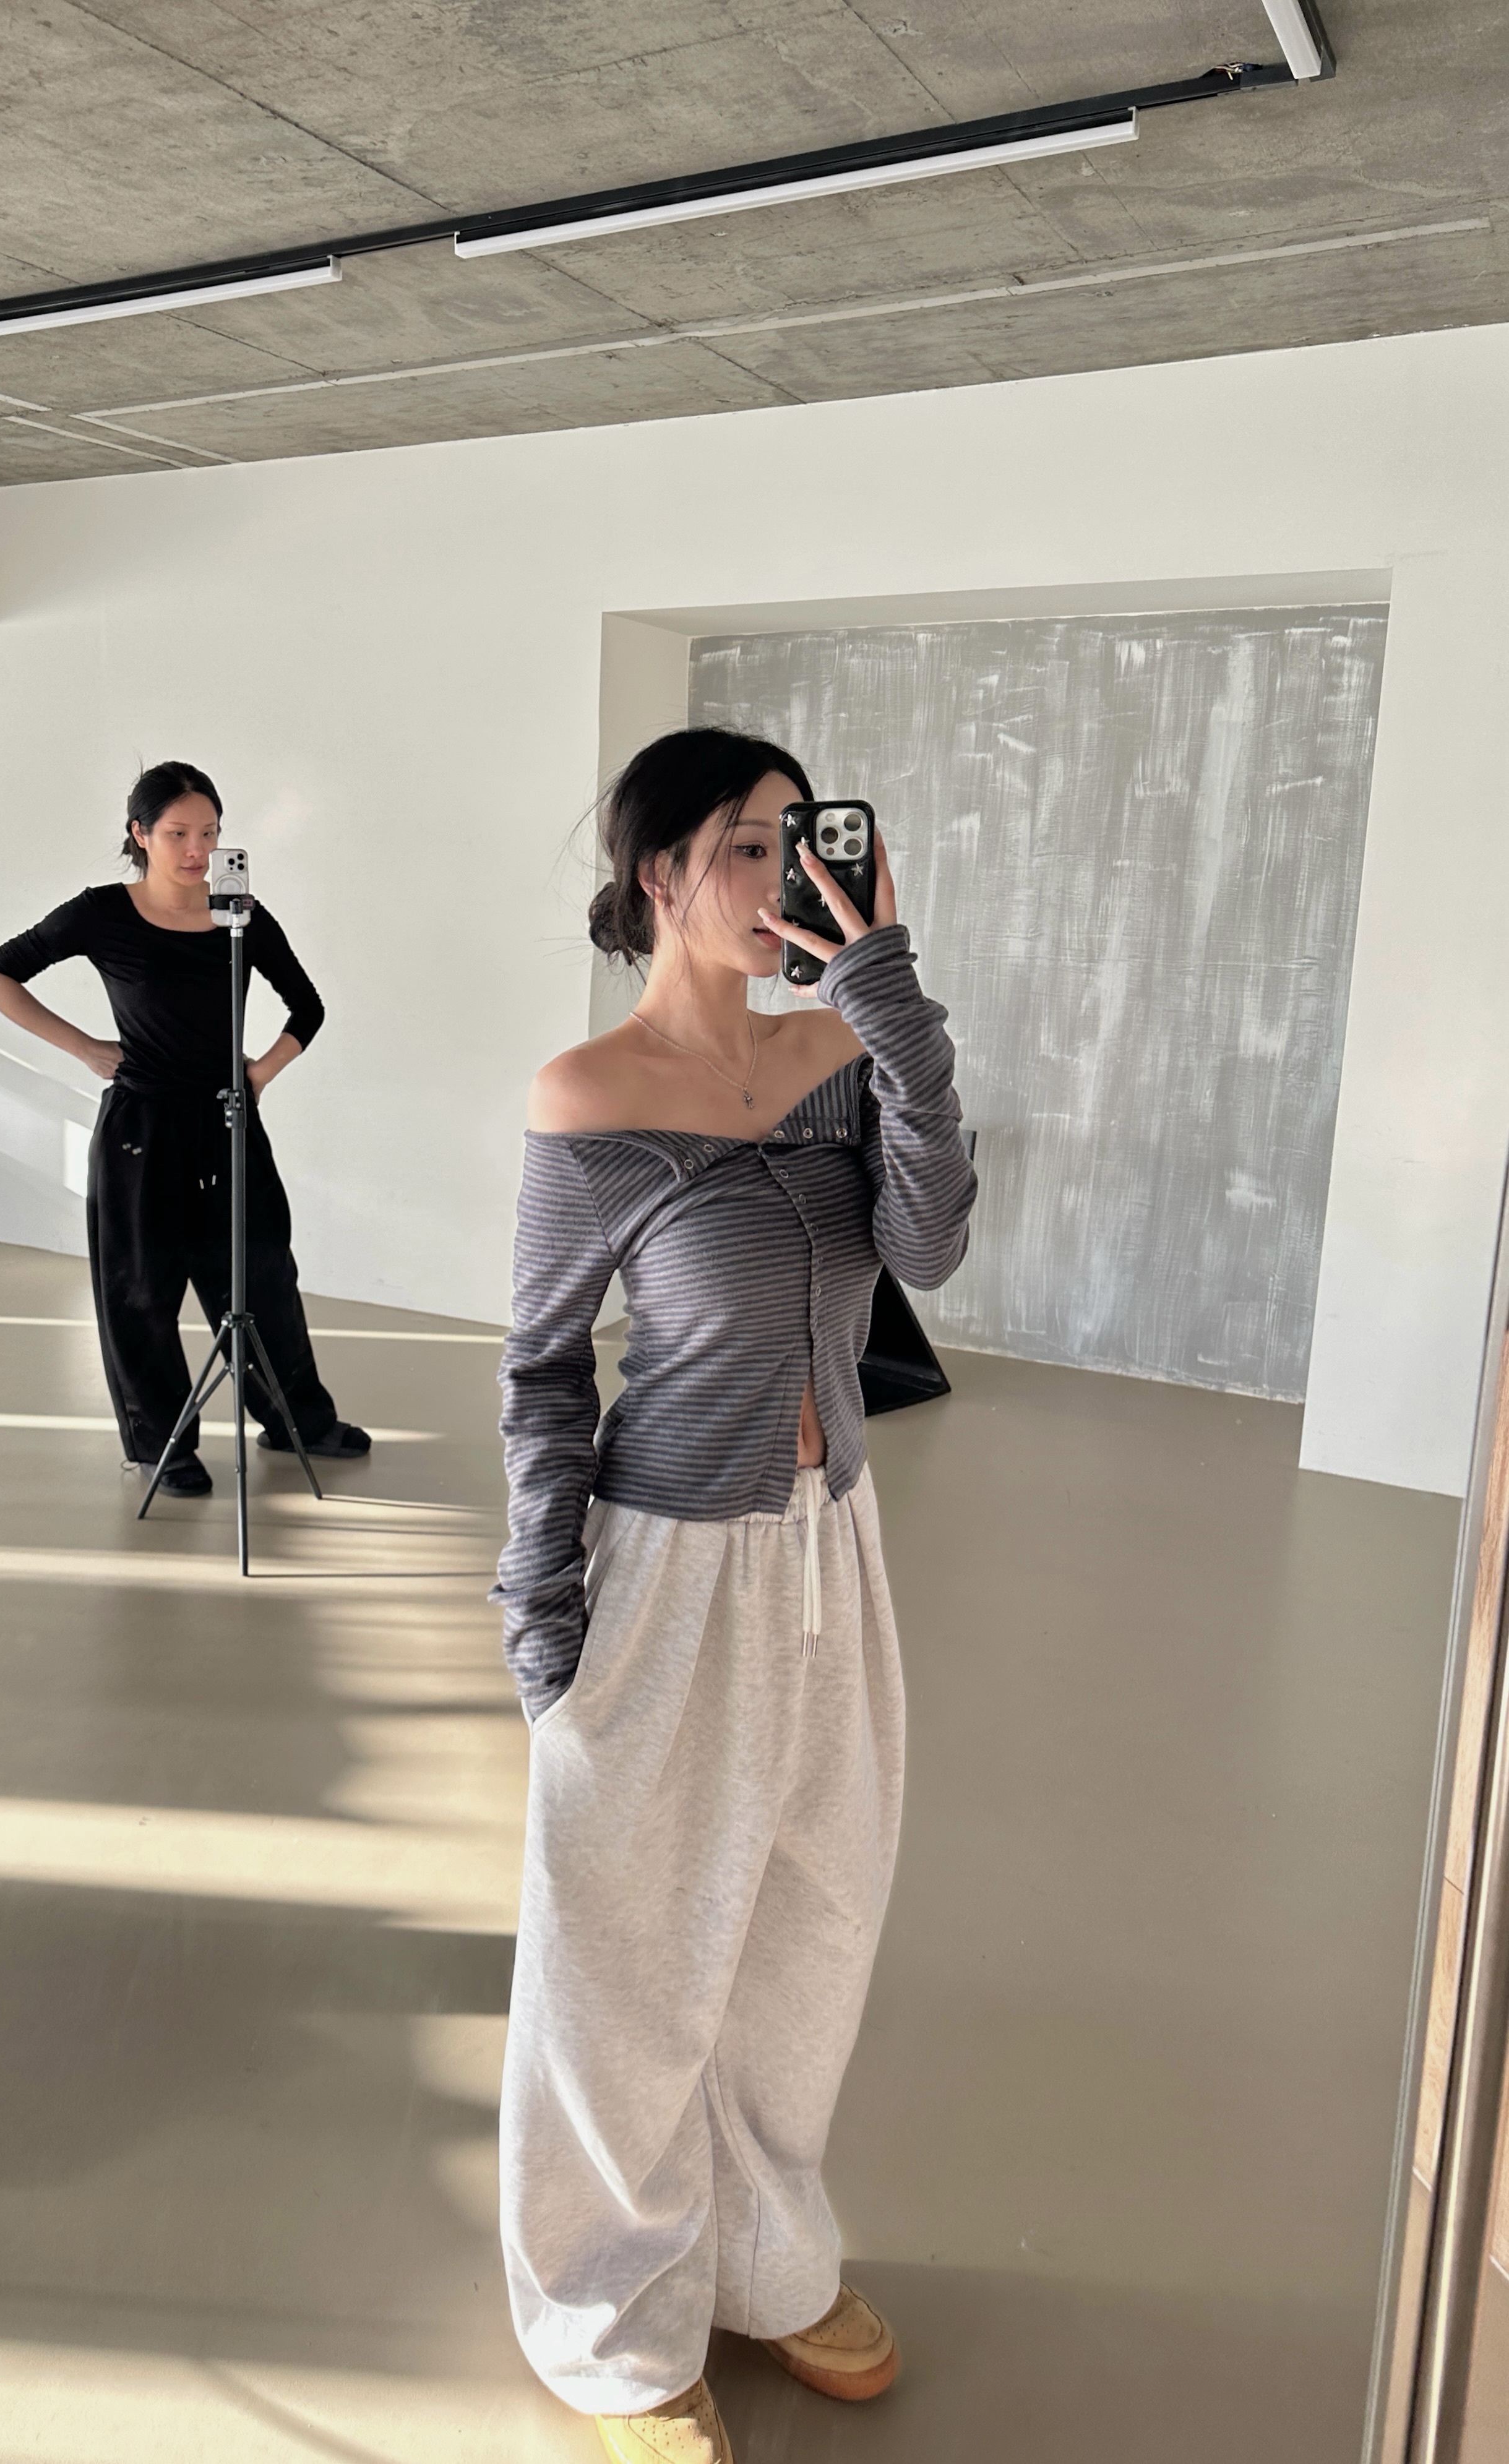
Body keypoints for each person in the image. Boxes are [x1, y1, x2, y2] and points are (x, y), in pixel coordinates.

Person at [492, 728, 976, 2463]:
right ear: (660, 874)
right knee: (623, 1956)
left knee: (807, 1925)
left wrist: (889, 1002)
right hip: (664, 1563)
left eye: (800, 839)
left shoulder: (841, 1049)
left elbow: (926, 1248)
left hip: (830, 1546)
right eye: (751, 845)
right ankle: (610, 2320)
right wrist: (539, 1610)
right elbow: (543, 1368)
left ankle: (766, 2261)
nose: (787, 875)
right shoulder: (587, 1094)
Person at [0, 760, 369, 1496]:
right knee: (141, 1289)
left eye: (209, 832)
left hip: (228, 1120)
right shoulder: (100, 912)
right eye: (178, 833)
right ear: (140, 833)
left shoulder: (238, 914)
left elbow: (306, 1005)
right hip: (140, 1129)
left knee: (260, 1277)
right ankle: (161, 1445)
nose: (197, 849)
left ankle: (298, 1421)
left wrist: (259, 1073)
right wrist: (85, 1048)